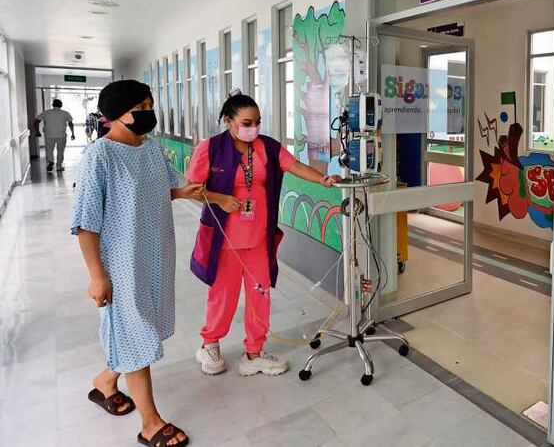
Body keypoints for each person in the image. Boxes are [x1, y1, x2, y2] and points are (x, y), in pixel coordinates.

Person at [71, 79, 204, 447]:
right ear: (116, 114)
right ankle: (150, 422)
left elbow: (161, 188)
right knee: (135, 334)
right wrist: (97, 276)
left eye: (150, 106)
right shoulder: (100, 156)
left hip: (154, 256)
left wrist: (186, 191)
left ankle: (106, 382)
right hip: (120, 264)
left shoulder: (150, 148)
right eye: (140, 107)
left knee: (139, 329)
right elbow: (85, 224)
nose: (149, 113)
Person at [188, 92, 339, 376]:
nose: (253, 128)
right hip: (224, 240)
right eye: (246, 123)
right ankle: (210, 343)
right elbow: (191, 188)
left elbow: (294, 166)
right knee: (223, 297)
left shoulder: (267, 147)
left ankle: (254, 352)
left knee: (260, 295)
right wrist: (220, 199)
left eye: (257, 122)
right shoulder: (211, 148)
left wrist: (322, 179)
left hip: (258, 239)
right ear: (228, 121)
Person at [34, 98, 75, 172]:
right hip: (61, 135)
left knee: (49, 150)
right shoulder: (65, 113)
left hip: (49, 135)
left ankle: (50, 161)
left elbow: (36, 121)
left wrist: (37, 131)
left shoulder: (46, 112)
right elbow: (70, 124)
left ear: (52, 105)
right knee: (60, 151)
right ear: (61, 105)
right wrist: (72, 133)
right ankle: (59, 166)